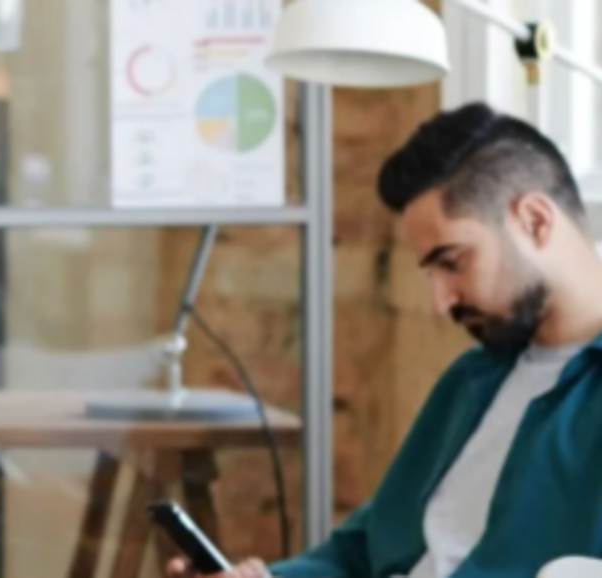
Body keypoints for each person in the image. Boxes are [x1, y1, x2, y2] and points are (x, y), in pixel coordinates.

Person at [170, 104, 602, 578]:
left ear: (536, 221)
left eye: (452, 262)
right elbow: (359, 549)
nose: (440, 300)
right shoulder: (470, 382)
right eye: (431, 272)